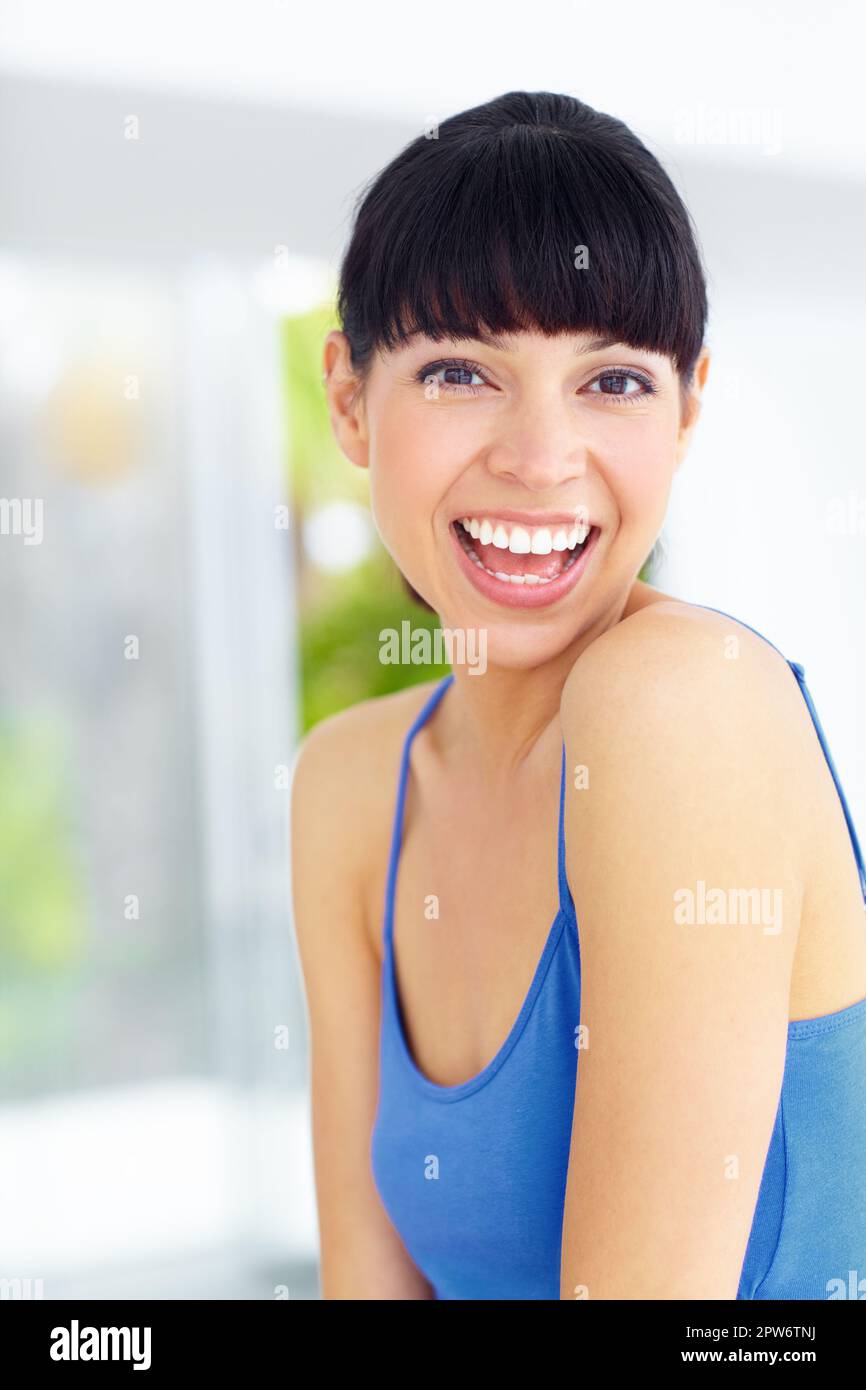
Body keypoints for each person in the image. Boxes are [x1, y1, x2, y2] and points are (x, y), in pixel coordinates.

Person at [290, 90, 866, 1300]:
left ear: (688, 405)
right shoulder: (350, 784)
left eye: (610, 382)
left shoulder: (680, 706)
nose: (541, 458)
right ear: (347, 395)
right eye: (460, 371)